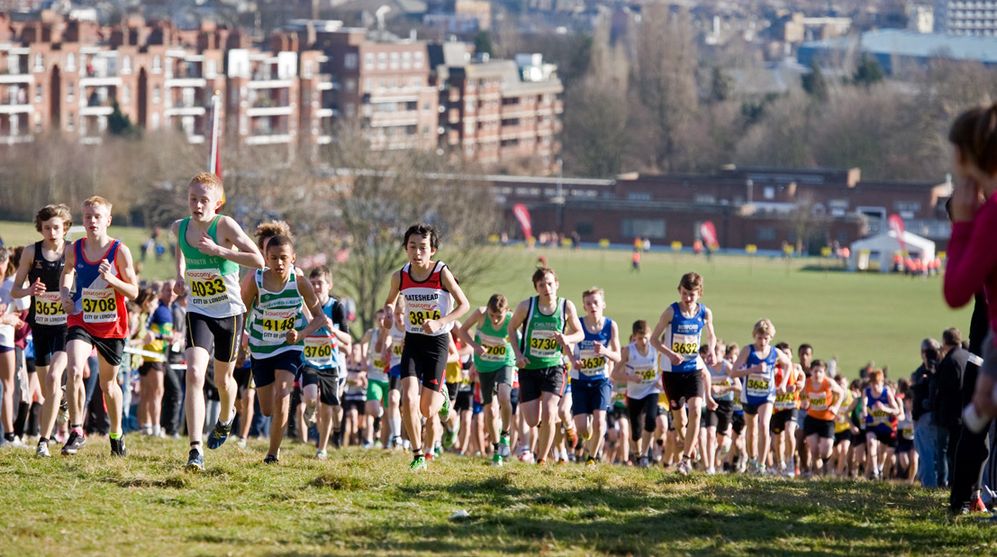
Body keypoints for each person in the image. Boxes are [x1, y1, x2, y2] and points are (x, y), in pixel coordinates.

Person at [172, 172, 264, 470]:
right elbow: (180, 247)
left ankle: (226, 418)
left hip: (230, 313)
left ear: (217, 203)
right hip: (199, 310)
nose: (197, 205)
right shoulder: (180, 227)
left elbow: (259, 259)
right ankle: (195, 449)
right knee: (195, 374)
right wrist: (178, 274)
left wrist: (220, 251)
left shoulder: (224, 225)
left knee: (224, 380)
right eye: (192, 199)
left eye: (203, 200)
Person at [380, 224, 471, 471]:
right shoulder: (400, 276)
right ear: (406, 249)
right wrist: (388, 315)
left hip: (437, 341)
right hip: (413, 340)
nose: (417, 252)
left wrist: (440, 322)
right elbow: (389, 303)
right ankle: (418, 455)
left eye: (423, 247)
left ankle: (444, 407)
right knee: (407, 397)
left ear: (433, 250)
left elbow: (464, 305)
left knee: (427, 409)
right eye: (412, 247)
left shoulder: (441, 272)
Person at [59, 196, 139, 456]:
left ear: (108, 220)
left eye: (97, 217)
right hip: (81, 317)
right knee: (73, 369)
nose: (92, 221)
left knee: (109, 385)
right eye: (88, 217)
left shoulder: (119, 251)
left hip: (110, 325)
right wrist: (64, 294)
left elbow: (134, 292)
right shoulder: (74, 248)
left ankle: (116, 435)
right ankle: (76, 430)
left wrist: (111, 279)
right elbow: (68, 271)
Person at [242, 234, 328, 464]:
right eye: (273, 258)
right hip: (260, 347)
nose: (279, 263)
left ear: (293, 259)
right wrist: (242, 335)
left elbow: (319, 318)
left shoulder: (299, 282)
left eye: (283, 258)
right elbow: (242, 311)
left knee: (283, 391)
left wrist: (300, 334)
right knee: (267, 408)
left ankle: (272, 453)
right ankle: (274, 439)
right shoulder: (256, 280)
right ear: (265, 258)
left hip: (289, 346)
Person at [9, 204, 72, 456]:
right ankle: (63, 404)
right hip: (40, 326)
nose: (52, 233)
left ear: (65, 227)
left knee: (55, 378)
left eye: (57, 227)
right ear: (41, 228)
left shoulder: (72, 251)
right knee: (49, 389)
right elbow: (15, 290)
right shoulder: (30, 252)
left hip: (65, 326)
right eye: (47, 228)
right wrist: (29, 291)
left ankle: (43, 441)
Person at [508, 267, 584, 465]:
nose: (547, 288)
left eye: (550, 283)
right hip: (529, 367)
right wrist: (517, 354)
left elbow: (580, 333)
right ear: (536, 288)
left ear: (556, 284)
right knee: (533, 420)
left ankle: (541, 459)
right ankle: (555, 431)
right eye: (542, 285)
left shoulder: (566, 306)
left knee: (550, 412)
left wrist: (566, 338)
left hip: (554, 366)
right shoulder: (527, 306)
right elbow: (511, 327)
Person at [650, 272, 718, 475]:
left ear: (700, 294)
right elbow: (654, 339)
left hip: (693, 369)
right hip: (672, 373)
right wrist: (670, 354)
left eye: (692, 294)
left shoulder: (705, 313)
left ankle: (685, 460)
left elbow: (712, 335)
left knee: (696, 409)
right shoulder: (671, 312)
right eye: (685, 293)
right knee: (680, 422)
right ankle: (688, 442)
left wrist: (712, 350)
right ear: (680, 291)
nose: (688, 299)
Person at [458, 294, 517, 466]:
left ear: (506, 312)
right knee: (490, 411)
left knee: (505, 396)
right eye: (492, 315)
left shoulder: (511, 320)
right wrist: (475, 346)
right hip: (484, 366)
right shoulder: (480, 314)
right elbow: (462, 331)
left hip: (504, 363)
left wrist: (520, 356)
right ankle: (497, 449)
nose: (495, 320)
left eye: (499, 316)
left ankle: (505, 434)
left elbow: (520, 340)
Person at [300, 266, 352, 457]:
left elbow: (347, 340)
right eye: (312, 283)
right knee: (312, 397)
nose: (315, 287)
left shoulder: (336, 307)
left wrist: (333, 329)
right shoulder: (304, 305)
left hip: (330, 363)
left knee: (328, 407)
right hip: (310, 361)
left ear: (329, 285)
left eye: (319, 283)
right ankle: (309, 409)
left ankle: (322, 448)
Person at [730, 319, 792, 475]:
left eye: (766, 338)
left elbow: (788, 364)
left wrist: (783, 384)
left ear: (771, 337)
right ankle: (752, 460)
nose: (763, 341)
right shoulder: (747, 351)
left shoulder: (774, 352)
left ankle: (761, 465)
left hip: (767, 395)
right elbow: (734, 372)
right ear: (754, 336)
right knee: (751, 430)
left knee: (764, 426)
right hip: (749, 396)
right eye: (759, 338)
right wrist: (754, 369)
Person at [568, 287, 621, 465]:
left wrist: (605, 351)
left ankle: (592, 458)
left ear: (603, 304)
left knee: (599, 421)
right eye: (588, 303)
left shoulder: (610, 326)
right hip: (579, 380)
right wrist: (574, 360)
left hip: (601, 380)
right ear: (584, 306)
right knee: (582, 428)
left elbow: (618, 356)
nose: (593, 306)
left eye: (596, 302)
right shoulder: (578, 325)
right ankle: (586, 434)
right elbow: (565, 344)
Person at [619, 320, 660, 467]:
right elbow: (614, 373)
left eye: (646, 337)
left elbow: (665, 365)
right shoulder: (628, 350)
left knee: (651, 420)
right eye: (640, 338)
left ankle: (644, 455)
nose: (643, 341)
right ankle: (637, 454)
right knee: (636, 431)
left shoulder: (655, 348)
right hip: (634, 394)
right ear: (634, 337)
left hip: (651, 389)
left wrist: (660, 380)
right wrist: (631, 377)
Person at [801, 359, 844, 477]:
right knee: (814, 450)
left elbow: (841, 393)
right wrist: (804, 401)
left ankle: (826, 462)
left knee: (825, 452)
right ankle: (818, 475)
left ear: (824, 372)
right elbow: (801, 393)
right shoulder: (807, 382)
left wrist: (835, 407)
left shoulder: (828, 383)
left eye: (820, 372)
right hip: (812, 419)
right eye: (815, 371)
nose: (817, 374)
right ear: (811, 371)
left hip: (827, 420)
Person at [770, 342, 805, 477]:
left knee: (790, 432)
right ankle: (780, 463)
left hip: (792, 405)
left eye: (787, 353)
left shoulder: (796, 367)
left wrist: (798, 385)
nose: (785, 356)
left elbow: (802, 379)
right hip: (777, 408)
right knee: (777, 439)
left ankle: (790, 462)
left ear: (791, 355)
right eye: (782, 353)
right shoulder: (773, 368)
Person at [911, 338, 942, 487]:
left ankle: (929, 485)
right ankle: (936, 483)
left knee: (926, 454)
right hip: (938, 415)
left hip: (926, 415)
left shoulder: (923, 372)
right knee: (935, 454)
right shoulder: (942, 367)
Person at [863, 369, 901, 480]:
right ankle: (874, 471)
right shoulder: (867, 391)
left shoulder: (887, 393)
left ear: (882, 382)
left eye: (877, 383)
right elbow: (864, 404)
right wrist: (864, 412)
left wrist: (884, 408)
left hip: (885, 426)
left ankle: (880, 468)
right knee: (871, 444)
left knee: (883, 451)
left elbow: (897, 410)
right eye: (872, 383)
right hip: (872, 425)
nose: (874, 386)